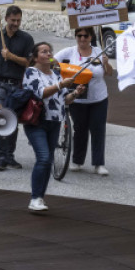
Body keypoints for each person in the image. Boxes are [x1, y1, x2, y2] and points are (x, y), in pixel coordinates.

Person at [23, 42, 84, 212]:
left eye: (50, 51)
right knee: (43, 157)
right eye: (44, 51)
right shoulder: (31, 72)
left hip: (55, 121)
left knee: (48, 160)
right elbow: (41, 93)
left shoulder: (56, 74)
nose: (48, 54)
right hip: (37, 121)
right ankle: (34, 198)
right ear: (35, 57)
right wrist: (61, 85)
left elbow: (65, 100)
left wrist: (75, 93)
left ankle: (40, 198)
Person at [55, 27, 113, 176]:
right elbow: (51, 60)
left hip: (98, 98)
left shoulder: (98, 52)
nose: (82, 39)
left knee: (98, 130)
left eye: (85, 36)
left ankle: (99, 163)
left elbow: (109, 73)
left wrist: (106, 63)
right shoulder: (69, 52)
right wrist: (59, 70)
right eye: (79, 36)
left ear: (91, 37)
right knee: (80, 130)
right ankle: (77, 161)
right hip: (77, 99)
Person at [0, 6, 34, 171]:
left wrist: (11, 56)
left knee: (12, 121)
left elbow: (29, 62)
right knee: (1, 118)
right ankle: (2, 157)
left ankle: (10, 156)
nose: (16, 23)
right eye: (13, 20)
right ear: (6, 19)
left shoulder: (26, 39)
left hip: (18, 84)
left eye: (18, 20)